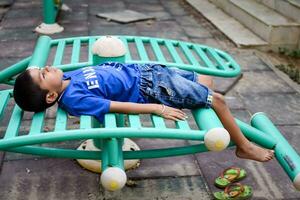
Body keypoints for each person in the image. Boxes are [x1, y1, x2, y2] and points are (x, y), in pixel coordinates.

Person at [13, 62, 274, 162]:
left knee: (204, 79)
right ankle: (244, 146)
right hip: (151, 88)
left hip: (147, 71)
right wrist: (157, 107)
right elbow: (115, 106)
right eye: (43, 74)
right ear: (50, 95)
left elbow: (106, 71)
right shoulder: (74, 99)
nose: (47, 67)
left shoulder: (66, 79)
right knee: (217, 100)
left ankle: (209, 110)